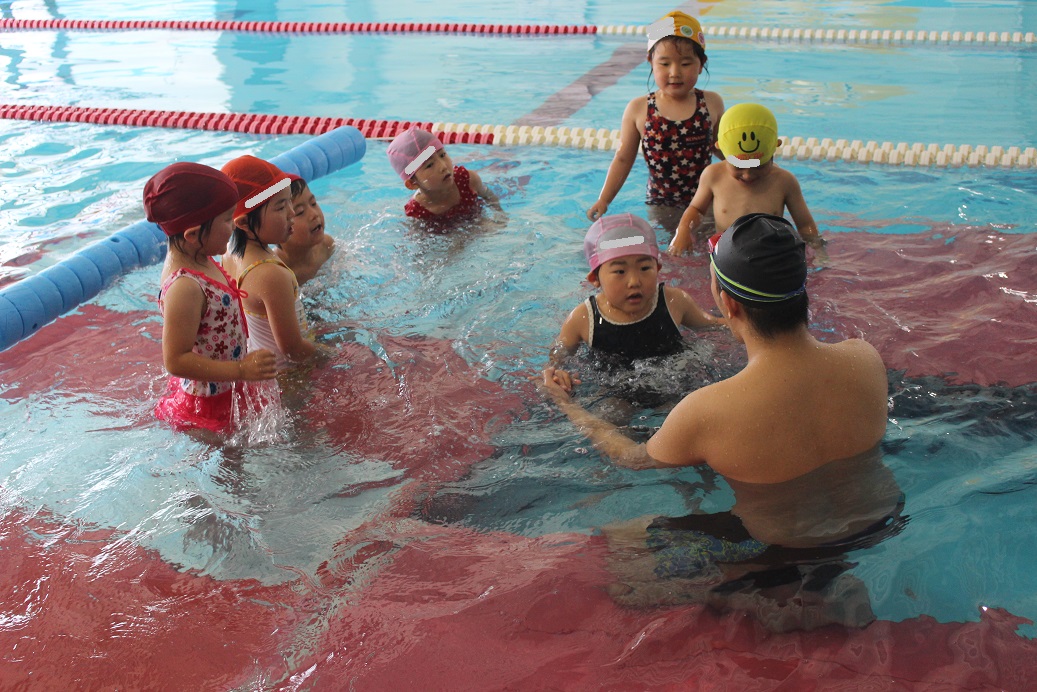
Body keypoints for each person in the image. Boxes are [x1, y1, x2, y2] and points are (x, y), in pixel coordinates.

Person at [541, 213, 902, 630]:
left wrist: (568, 406)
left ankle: (756, 590)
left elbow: (632, 458)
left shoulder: (708, 409)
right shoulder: (864, 358)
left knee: (621, 552)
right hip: (878, 525)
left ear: (728, 304)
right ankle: (819, 578)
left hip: (781, 549)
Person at [144, 162, 278, 435]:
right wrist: (240, 370)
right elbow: (175, 361)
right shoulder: (185, 287)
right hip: (210, 402)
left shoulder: (198, 256)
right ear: (193, 234)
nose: (233, 226)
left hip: (228, 383)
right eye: (227, 220)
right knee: (231, 457)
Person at [548, 213, 721, 394]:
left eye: (645, 268)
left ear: (657, 269)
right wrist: (558, 374)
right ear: (595, 279)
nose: (634, 281)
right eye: (620, 271)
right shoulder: (583, 319)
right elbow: (557, 359)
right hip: (615, 394)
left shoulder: (674, 302)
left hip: (676, 385)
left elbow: (713, 325)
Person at [586, 11, 724, 232]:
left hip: (705, 199)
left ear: (701, 64)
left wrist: (755, 163)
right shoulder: (639, 109)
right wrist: (604, 199)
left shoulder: (712, 103)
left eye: (685, 63)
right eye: (665, 63)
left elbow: (722, 148)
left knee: (707, 245)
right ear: (651, 62)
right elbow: (623, 158)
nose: (675, 73)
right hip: (661, 203)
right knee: (669, 249)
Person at [669, 103, 821, 254]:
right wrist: (682, 231)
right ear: (720, 147)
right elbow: (696, 209)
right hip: (725, 253)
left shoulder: (785, 181)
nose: (748, 175)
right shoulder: (713, 175)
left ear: (775, 148)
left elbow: (805, 224)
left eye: (758, 167)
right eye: (738, 166)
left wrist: (818, 250)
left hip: (769, 253)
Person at [220, 155, 319, 370]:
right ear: (244, 222)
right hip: (289, 376)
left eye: (290, 203)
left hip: (262, 368)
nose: (292, 213)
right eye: (281, 207)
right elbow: (293, 350)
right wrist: (329, 355)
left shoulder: (229, 253)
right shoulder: (270, 274)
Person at [386, 126, 501, 228]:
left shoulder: (468, 180)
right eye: (429, 165)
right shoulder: (417, 214)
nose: (443, 166)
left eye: (442, 155)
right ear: (412, 183)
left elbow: (489, 197)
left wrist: (499, 217)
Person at [274, 175, 334, 285]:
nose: (314, 214)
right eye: (300, 212)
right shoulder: (278, 272)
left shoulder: (327, 246)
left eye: (313, 203)